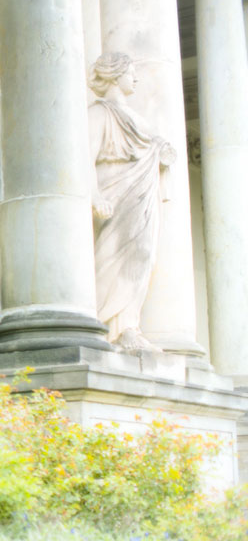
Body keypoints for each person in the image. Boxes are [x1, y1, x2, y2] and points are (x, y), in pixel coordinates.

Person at [87, 53, 175, 351]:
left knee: (143, 254)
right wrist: (95, 195)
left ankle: (129, 326)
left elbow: (153, 152)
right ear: (115, 75)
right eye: (131, 72)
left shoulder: (138, 119)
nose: (135, 78)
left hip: (141, 194)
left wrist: (160, 152)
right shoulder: (100, 113)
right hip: (113, 192)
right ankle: (107, 324)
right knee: (110, 257)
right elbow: (85, 158)